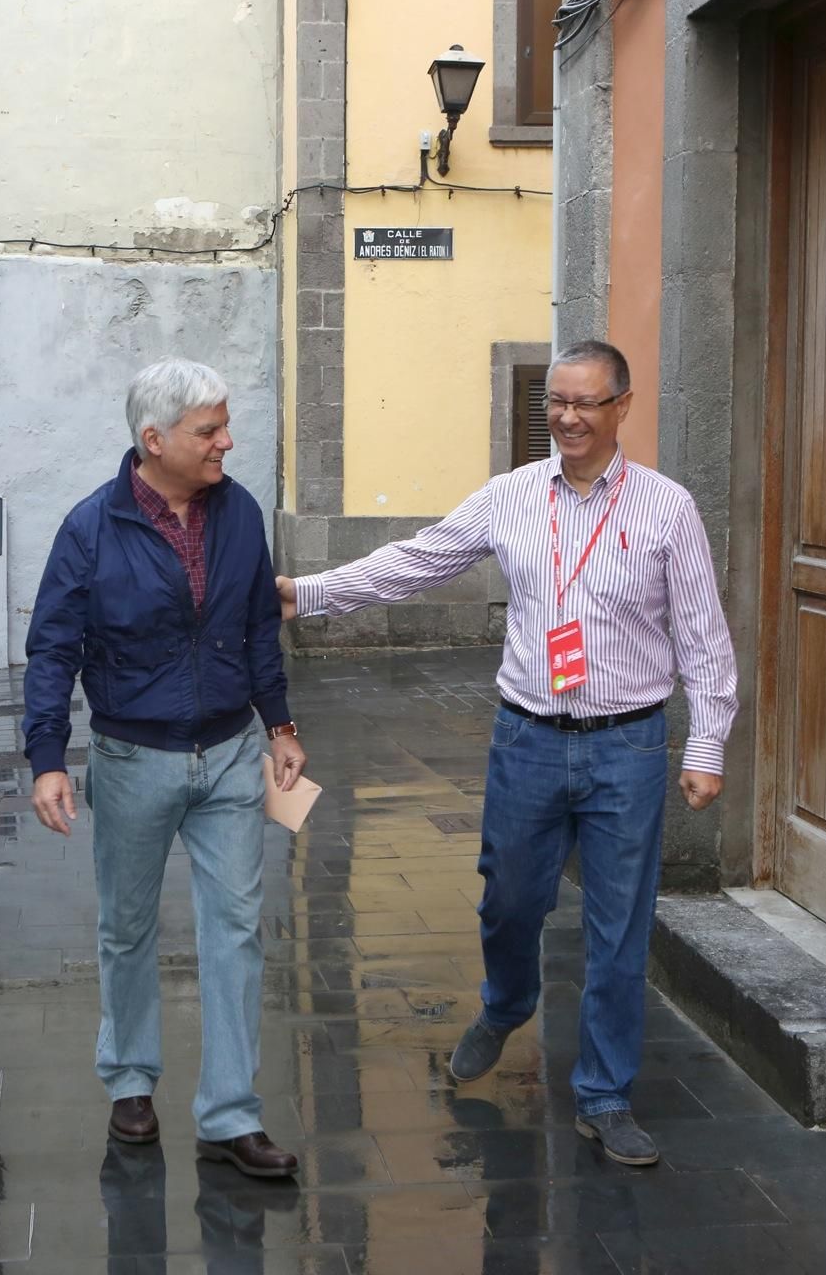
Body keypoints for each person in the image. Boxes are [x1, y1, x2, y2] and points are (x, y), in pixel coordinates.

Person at [277, 341, 737, 1167]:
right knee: (508, 902)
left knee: (618, 928)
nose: (567, 417)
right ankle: (505, 1003)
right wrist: (307, 594)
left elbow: (704, 638)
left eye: (587, 402)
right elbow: (414, 563)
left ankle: (603, 1092)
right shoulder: (511, 497)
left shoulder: (668, 509)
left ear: (623, 407)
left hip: (628, 745)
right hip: (527, 739)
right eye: (557, 401)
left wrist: (706, 743)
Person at [23, 358, 308, 1179]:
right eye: (209, 430)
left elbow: (259, 627)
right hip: (131, 757)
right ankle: (131, 1082)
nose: (227, 441)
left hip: (227, 755)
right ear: (154, 440)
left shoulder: (242, 512)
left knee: (236, 929)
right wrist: (48, 757)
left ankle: (228, 1114)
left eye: (224, 425)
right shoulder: (92, 527)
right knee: (127, 926)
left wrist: (279, 724)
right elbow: (53, 649)